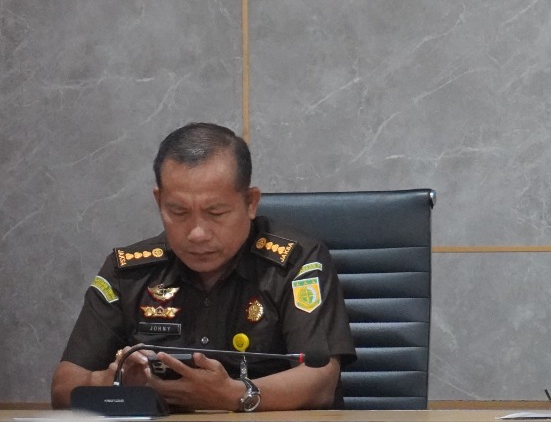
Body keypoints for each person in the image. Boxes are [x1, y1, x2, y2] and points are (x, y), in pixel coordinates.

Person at [50, 123, 355, 412]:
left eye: (215, 212)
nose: (197, 233)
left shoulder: (296, 262)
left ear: (250, 202)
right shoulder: (129, 271)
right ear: (159, 202)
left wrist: (234, 395)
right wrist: (111, 381)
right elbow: (63, 388)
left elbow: (321, 381)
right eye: (178, 212)